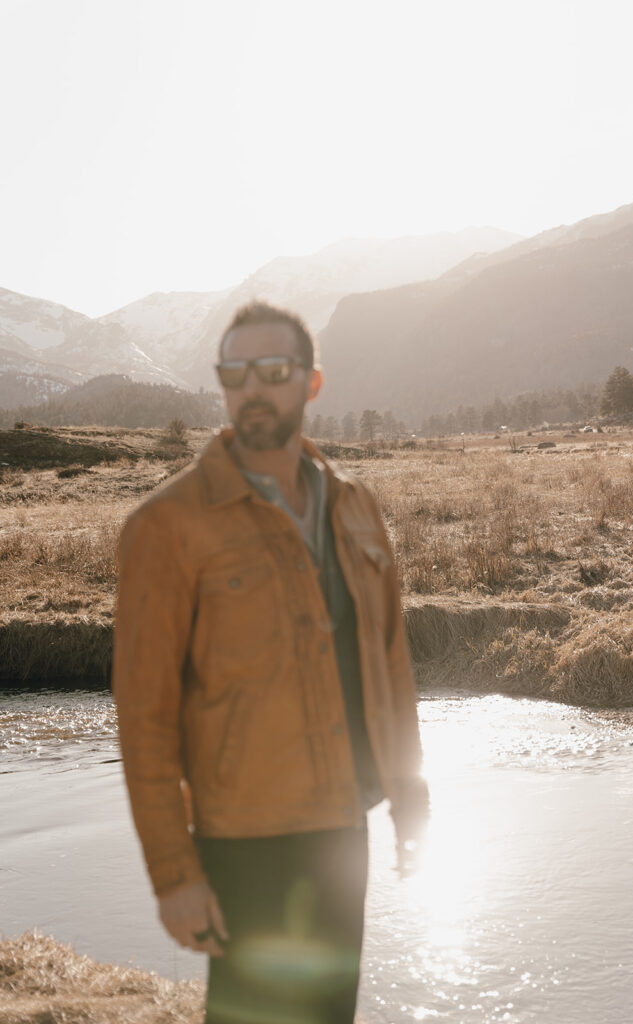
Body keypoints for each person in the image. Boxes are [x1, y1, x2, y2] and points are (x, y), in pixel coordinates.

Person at [113, 301, 429, 1024]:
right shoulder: (165, 528)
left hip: (345, 827)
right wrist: (173, 874)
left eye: (273, 371)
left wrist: (410, 799)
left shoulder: (356, 509)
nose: (251, 389)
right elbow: (145, 714)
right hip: (243, 844)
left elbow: (389, 663)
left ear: (311, 383)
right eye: (234, 373)